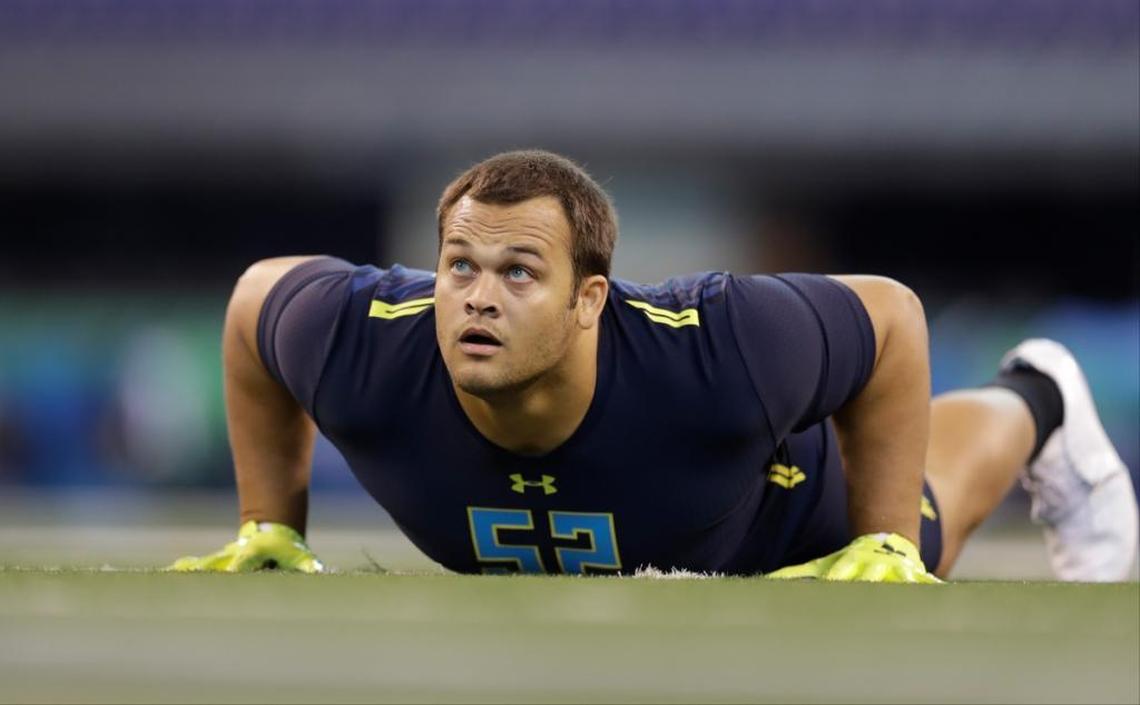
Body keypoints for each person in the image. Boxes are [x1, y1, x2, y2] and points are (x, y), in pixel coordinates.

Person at [171, 150, 1138, 582]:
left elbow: (891, 317)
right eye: (460, 264)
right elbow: (257, 299)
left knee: (926, 522)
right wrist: (270, 522)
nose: (476, 295)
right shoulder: (365, 340)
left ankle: (1038, 395)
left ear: (590, 297)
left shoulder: (718, 345)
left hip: (770, 518)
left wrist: (881, 542)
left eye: (519, 271)